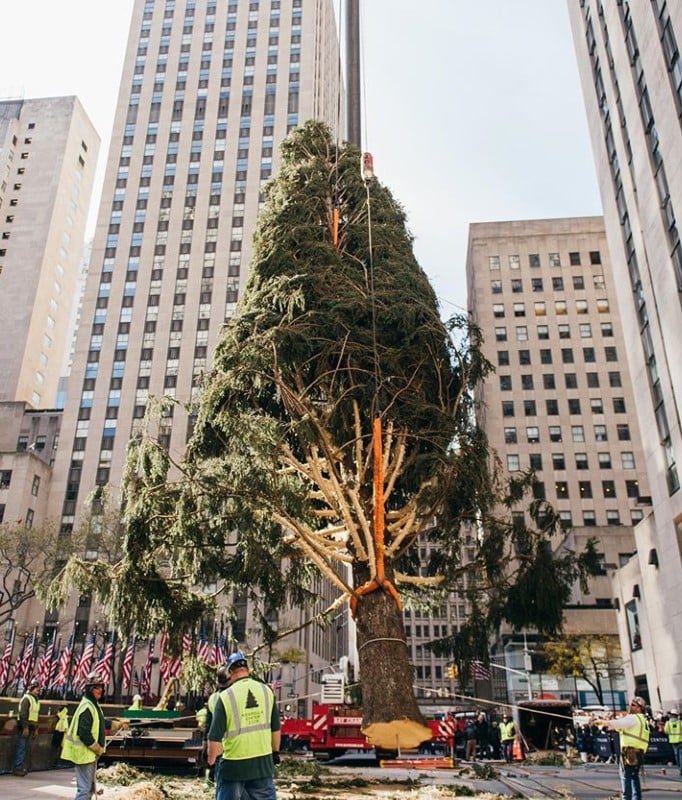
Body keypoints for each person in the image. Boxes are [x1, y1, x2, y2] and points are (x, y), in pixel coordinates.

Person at [207, 651, 281, 800]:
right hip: (263, 765)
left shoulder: (225, 697)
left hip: (233, 768)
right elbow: (275, 729)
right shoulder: (266, 691)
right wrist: (275, 753)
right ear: (248, 669)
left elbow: (214, 738)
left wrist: (211, 764)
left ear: (230, 672)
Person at [60, 671, 127, 800]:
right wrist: (97, 748)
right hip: (83, 754)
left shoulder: (92, 705)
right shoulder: (87, 707)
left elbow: (101, 723)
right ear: (90, 689)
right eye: (97, 687)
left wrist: (118, 724)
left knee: (89, 789)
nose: (100, 690)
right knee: (84, 791)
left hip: (88, 754)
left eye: (101, 687)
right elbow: (84, 733)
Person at [594, 696, 650, 800]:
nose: (631, 707)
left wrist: (603, 722)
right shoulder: (643, 720)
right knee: (634, 777)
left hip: (629, 753)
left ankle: (626, 798)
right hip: (639, 753)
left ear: (640, 708)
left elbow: (619, 723)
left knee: (626, 777)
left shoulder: (633, 718)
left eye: (633, 705)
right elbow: (623, 727)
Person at [13, 677, 42, 776]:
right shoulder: (27, 699)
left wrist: (35, 729)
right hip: (24, 728)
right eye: (37, 689)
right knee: (21, 748)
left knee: (25, 748)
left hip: (30, 728)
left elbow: (34, 716)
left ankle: (22, 767)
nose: (39, 691)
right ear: (32, 688)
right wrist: (25, 727)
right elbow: (23, 714)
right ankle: (17, 768)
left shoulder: (35, 700)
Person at [664, 708, 682, 776]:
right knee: (681, 755)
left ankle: (680, 769)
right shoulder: (680, 722)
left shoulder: (668, 723)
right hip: (680, 740)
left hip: (672, 741)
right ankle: (681, 769)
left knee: (676, 755)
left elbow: (666, 731)